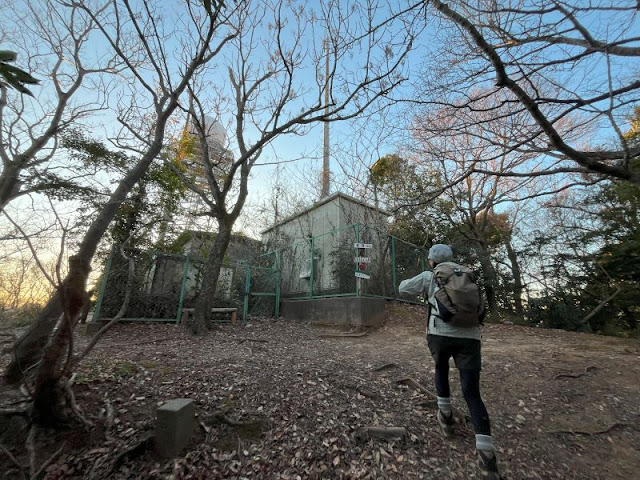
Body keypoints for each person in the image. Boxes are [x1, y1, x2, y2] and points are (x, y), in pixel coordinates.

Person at [399, 244, 501, 480]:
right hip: (471, 337)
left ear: (432, 260)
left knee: (441, 369)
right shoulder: (467, 275)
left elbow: (403, 288)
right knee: (472, 392)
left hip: (440, 335)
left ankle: (445, 418)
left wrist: (426, 289)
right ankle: (487, 456)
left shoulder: (430, 276)